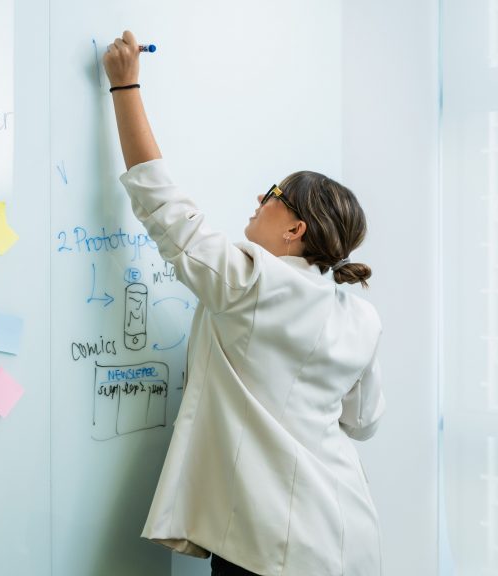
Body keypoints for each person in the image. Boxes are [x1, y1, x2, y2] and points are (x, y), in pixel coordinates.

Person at [103, 31, 386, 576]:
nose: (260, 198)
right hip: (349, 536)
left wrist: (125, 86)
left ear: (296, 229)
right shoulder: (360, 316)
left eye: (274, 194)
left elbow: (162, 203)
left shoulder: (251, 283)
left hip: (273, 547)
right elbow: (362, 422)